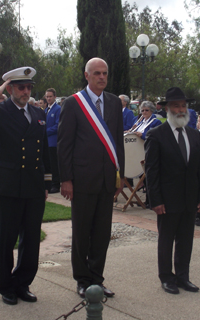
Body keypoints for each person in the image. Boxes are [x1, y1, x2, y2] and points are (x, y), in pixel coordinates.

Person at [0, 66, 52, 306]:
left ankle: (23, 283)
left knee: (31, 239)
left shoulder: (38, 114)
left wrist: (47, 182)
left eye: (28, 87)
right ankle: (5, 285)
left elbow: (44, 150)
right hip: (8, 185)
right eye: (20, 87)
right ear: (10, 88)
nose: (26, 91)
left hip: (34, 185)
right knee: (6, 239)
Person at [58, 58, 124, 299]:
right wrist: (66, 178)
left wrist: (120, 176)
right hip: (83, 180)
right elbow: (65, 144)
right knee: (82, 233)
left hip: (107, 179)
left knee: (101, 234)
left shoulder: (115, 102)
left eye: (105, 73)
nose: (102, 77)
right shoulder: (74, 103)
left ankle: (97, 278)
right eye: (97, 73)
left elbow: (117, 140)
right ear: (86, 76)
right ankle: (83, 280)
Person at [144, 87, 200, 295]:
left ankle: (183, 277)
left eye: (183, 106)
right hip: (167, 199)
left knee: (186, 239)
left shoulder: (194, 134)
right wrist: (155, 200)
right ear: (168, 109)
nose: (180, 110)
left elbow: (199, 169)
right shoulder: (156, 135)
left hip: (190, 198)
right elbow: (152, 172)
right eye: (176, 106)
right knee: (166, 239)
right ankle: (166, 277)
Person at [45, 88, 61, 194]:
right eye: (47, 96)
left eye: (50, 96)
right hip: (46, 141)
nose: (48, 98)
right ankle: (49, 184)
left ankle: (56, 184)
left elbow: (57, 125)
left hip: (53, 141)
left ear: (55, 97)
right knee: (48, 164)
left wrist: (45, 131)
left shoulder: (57, 109)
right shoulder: (46, 109)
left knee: (54, 165)